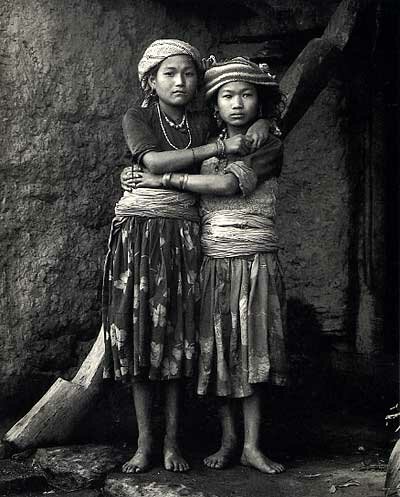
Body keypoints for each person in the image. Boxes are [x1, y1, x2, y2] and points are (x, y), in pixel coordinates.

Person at [103, 41, 270, 474]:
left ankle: (173, 443)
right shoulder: (138, 117)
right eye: (169, 73)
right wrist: (211, 152)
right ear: (149, 80)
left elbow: (252, 119)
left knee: (176, 337)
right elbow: (153, 160)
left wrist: (265, 122)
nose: (180, 82)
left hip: (186, 237)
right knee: (140, 336)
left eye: (189, 74)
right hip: (140, 238)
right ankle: (144, 443)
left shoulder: (203, 120)